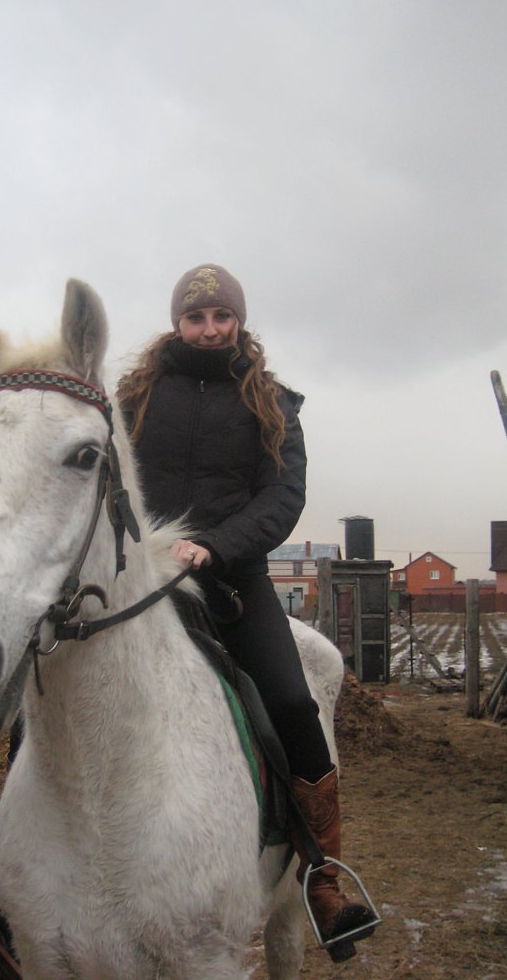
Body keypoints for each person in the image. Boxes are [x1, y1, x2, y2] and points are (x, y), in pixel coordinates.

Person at [117, 264, 376, 962]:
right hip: (141, 578)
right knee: (55, 670)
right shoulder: (135, 396)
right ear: (177, 322)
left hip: (231, 579)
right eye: (196, 317)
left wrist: (215, 547)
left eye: (221, 317)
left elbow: (282, 498)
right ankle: (6, 859)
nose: (209, 329)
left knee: (292, 702)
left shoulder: (272, 402)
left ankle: (323, 877)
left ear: (238, 320)